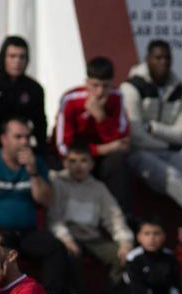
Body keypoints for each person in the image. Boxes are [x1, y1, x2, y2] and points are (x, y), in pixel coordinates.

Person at [0, 117, 70, 294]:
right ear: (4, 139)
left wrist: (33, 172)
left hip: (24, 232)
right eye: (18, 137)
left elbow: (45, 200)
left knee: (55, 248)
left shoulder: (36, 164)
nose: (24, 142)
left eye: (27, 137)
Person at [121, 40, 182, 227]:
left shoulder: (177, 88)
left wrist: (154, 128)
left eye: (167, 58)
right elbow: (136, 136)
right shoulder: (131, 87)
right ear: (147, 59)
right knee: (172, 175)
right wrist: (168, 142)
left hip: (168, 152)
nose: (163, 62)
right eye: (158, 58)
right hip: (139, 154)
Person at [48, 140, 134, 294]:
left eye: (83, 160)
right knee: (72, 254)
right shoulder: (58, 182)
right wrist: (66, 239)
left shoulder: (98, 188)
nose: (78, 166)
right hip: (68, 237)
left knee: (126, 258)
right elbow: (53, 218)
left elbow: (114, 217)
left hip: (93, 239)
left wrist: (125, 242)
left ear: (92, 164)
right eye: (72, 161)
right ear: (65, 163)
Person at [54, 56, 132, 214]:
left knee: (118, 161)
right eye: (95, 86)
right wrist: (100, 150)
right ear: (86, 83)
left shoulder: (117, 98)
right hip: (77, 155)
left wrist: (101, 117)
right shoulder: (71, 99)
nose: (100, 92)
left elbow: (122, 142)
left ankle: (120, 216)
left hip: (101, 157)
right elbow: (63, 145)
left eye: (106, 86)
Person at [0, 36, 46, 151]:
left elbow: (40, 123)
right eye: (12, 56)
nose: (17, 61)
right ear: (3, 58)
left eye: (22, 57)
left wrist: (42, 150)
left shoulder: (34, 88)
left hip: (22, 146)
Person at [120, 218, 180, 294]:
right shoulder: (133, 259)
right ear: (139, 237)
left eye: (156, 233)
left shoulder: (170, 258)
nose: (152, 238)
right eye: (147, 234)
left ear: (163, 236)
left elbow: (175, 288)